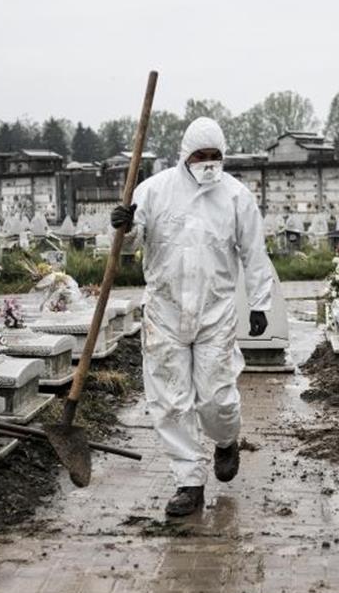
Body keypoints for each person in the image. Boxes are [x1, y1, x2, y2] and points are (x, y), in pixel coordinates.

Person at [111, 117, 274, 516]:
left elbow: (254, 253)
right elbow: (132, 240)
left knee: (216, 398)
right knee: (169, 401)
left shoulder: (236, 197)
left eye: (215, 156)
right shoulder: (154, 191)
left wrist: (260, 303)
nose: (208, 163)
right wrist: (124, 224)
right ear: (186, 156)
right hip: (164, 313)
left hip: (214, 314)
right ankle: (189, 482)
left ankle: (225, 440)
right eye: (201, 156)